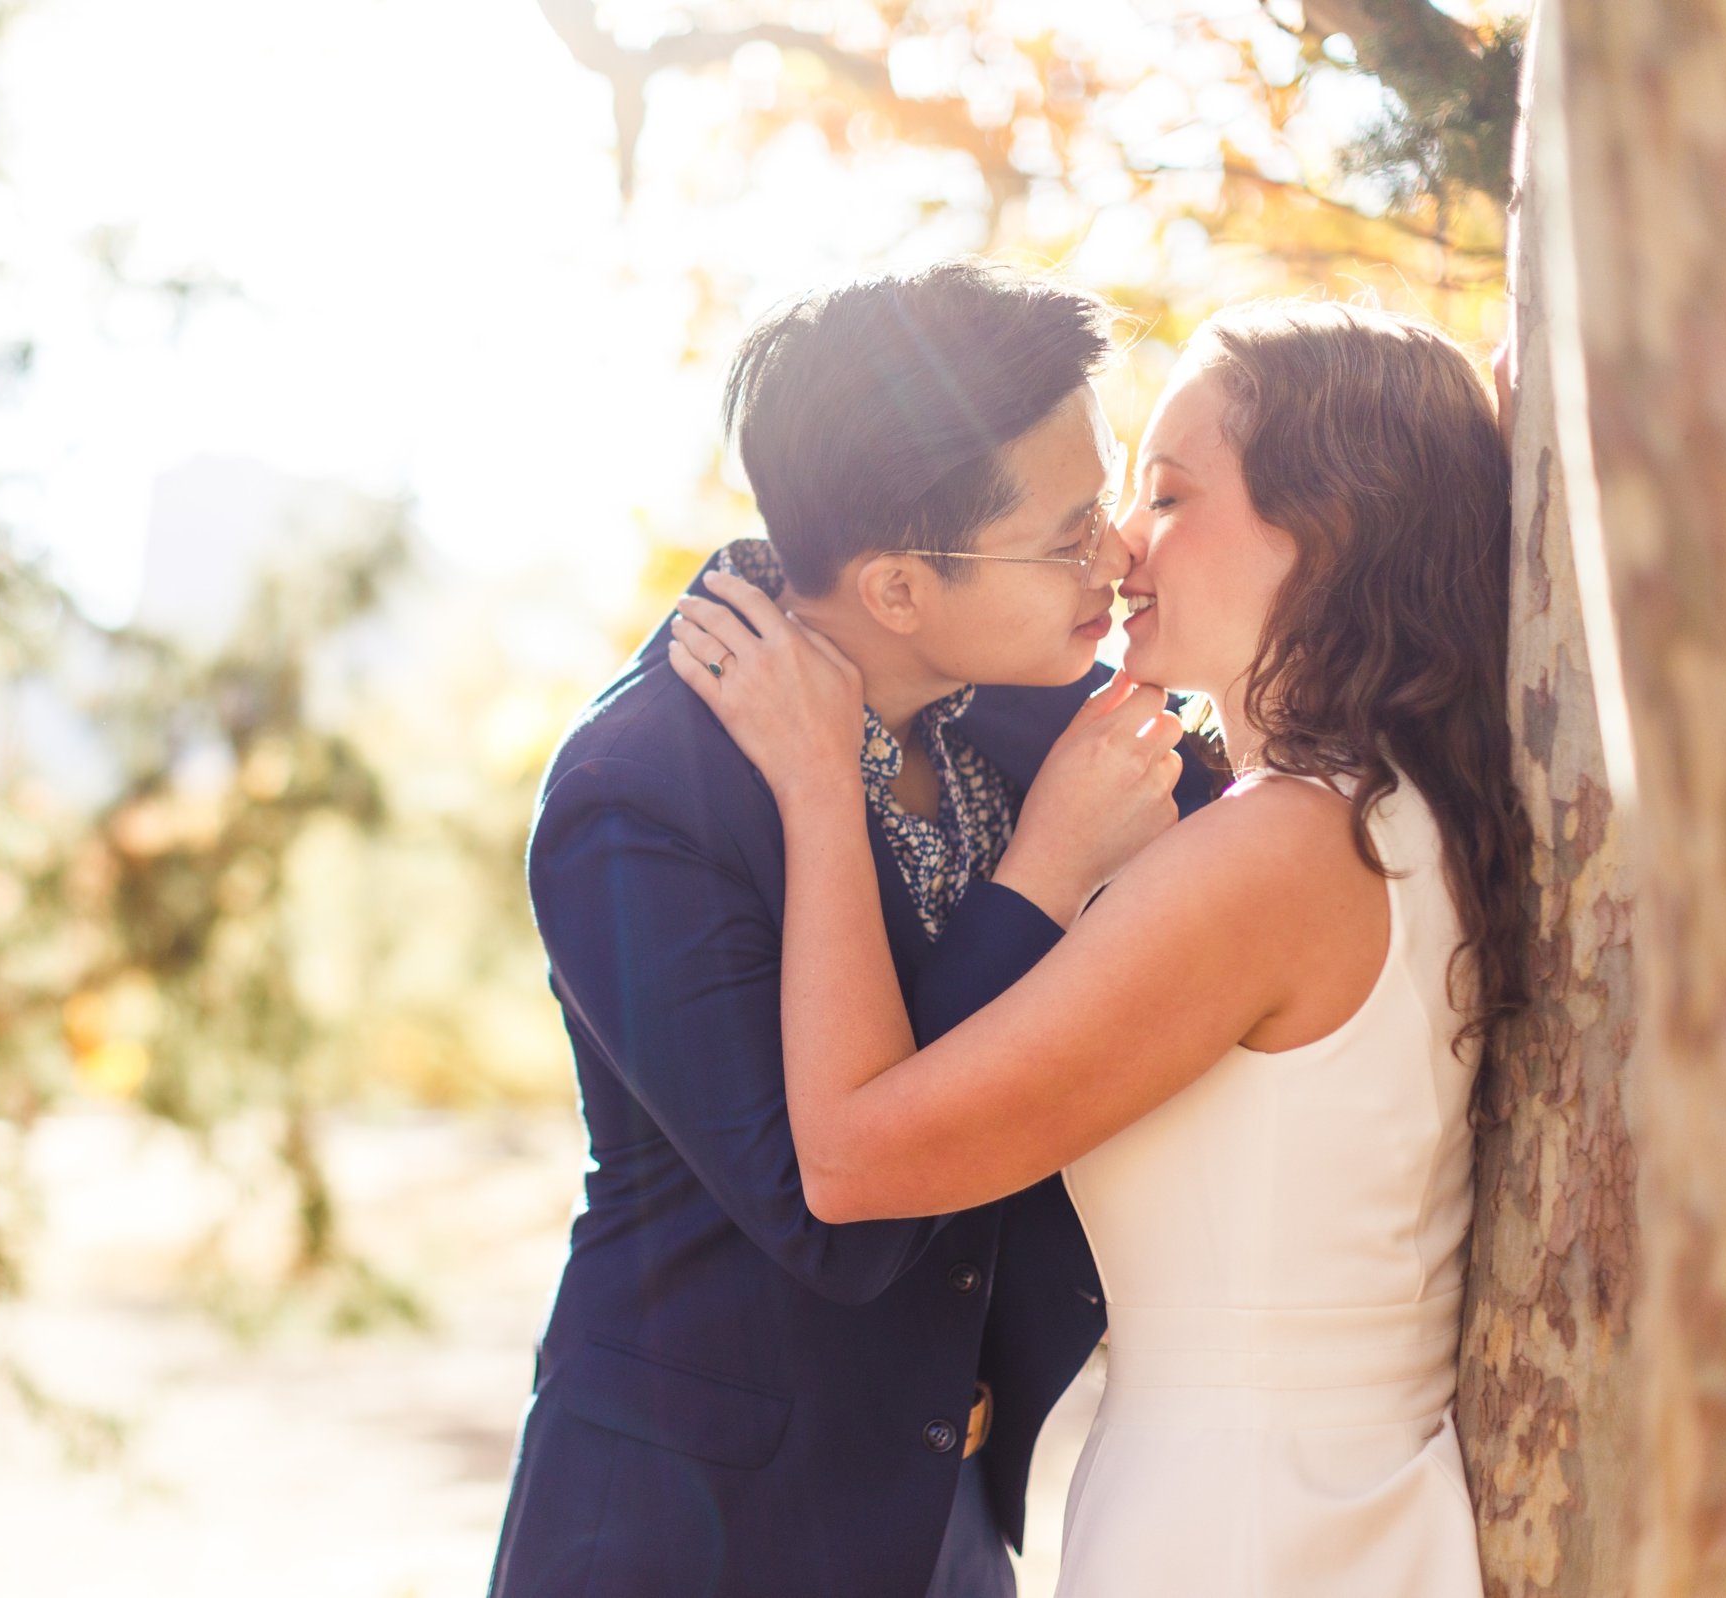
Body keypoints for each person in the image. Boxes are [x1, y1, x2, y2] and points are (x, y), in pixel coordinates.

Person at [668, 299, 1532, 1597]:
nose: (1123, 539)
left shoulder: (1274, 857)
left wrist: (814, 775)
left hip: (1242, 1533)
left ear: (1335, 526)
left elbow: (852, 1156)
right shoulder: (1400, 809)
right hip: (1341, 1507)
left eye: (1171, 494)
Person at [486, 259, 1213, 1598]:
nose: (1114, 557)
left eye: (1108, 500)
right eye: (1068, 535)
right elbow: (847, 1217)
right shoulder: (637, 799)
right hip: (698, 1525)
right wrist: (1044, 867)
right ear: (893, 588)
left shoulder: (1024, 698)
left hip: (946, 1496)